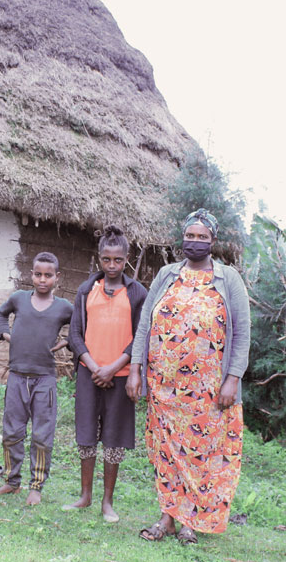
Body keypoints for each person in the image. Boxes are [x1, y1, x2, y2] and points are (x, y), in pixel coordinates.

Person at [127, 209, 250, 543]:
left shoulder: (228, 279)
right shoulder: (167, 275)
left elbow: (242, 333)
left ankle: (189, 523)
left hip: (207, 391)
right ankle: (167, 518)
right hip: (163, 388)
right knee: (166, 452)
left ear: (212, 241)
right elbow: (145, 325)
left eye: (202, 237)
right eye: (190, 236)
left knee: (200, 452)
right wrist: (135, 370)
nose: (194, 242)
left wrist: (233, 378)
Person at [63, 225, 148, 523]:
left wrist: (113, 367)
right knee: (86, 436)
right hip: (89, 373)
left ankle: (107, 502)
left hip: (122, 376)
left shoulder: (137, 294)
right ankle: (85, 496)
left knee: (113, 439)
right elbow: (74, 333)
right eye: (106, 259)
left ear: (127, 259)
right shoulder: (87, 290)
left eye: (118, 260)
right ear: (98, 258)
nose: (112, 266)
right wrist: (93, 365)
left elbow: (141, 336)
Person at [0, 251, 73, 506]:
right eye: (38, 274)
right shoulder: (19, 299)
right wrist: (5, 335)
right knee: (12, 431)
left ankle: (36, 486)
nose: (42, 280)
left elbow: (82, 327)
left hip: (44, 380)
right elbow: (1, 314)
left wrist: (65, 342)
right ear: (31, 275)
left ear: (57, 278)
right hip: (17, 376)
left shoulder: (64, 307)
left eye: (48, 275)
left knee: (41, 434)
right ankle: (12, 481)